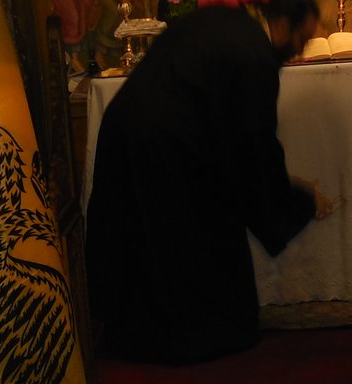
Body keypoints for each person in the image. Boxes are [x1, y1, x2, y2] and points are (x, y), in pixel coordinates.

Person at [85, 0, 330, 364]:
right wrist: (302, 199)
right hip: (163, 148)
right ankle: (181, 339)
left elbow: (238, 147)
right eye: (302, 39)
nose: (302, 50)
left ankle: (134, 333)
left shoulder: (228, 22)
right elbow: (254, 149)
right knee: (189, 234)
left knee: (147, 236)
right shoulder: (254, 55)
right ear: (282, 26)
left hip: (131, 134)